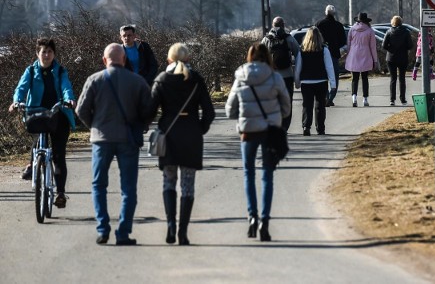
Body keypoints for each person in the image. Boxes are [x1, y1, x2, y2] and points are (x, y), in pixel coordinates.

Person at [76, 43, 152, 246]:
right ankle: (123, 233)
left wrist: (95, 126)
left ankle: (103, 229)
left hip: (102, 140)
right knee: (128, 189)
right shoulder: (137, 81)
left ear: (104, 60)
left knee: (99, 185)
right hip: (128, 139)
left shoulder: (94, 80)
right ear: (124, 59)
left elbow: (81, 110)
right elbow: (149, 110)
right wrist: (140, 126)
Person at [149, 43, 215, 245]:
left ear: (168, 60)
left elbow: (150, 111)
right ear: (188, 60)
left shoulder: (161, 80)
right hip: (191, 136)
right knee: (188, 185)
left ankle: (170, 225)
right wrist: (199, 129)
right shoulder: (196, 80)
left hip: (168, 136)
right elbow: (209, 112)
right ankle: (183, 232)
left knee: (169, 181)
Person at [225, 43, 291, 242]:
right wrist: (276, 117)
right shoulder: (274, 77)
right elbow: (286, 107)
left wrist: (242, 119)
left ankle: (252, 217)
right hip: (270, 131)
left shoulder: (240, 77)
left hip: (248, 132)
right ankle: (265, 221)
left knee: (248, 174)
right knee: (267, 176)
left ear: (249, 57)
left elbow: (230, 110)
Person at [9, 38, 76, 208]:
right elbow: (21, 88)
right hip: (37, 112)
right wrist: (16, 101)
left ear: (54, 54)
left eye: (50, 52)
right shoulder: (31, 71)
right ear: (37, 53)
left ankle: (60, 193)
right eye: (43, 52)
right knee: (38, 137)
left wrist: (69, 100)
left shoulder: (60, 71)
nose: (46, 55)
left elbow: (66, 87)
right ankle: (33, 164)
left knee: (59, 154)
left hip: (58, 114)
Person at [294, 27, 336, 135]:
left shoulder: (302, 50)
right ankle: (320, 128)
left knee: (307, 105)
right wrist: (333, 83)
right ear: (319, 37)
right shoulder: (324, 49)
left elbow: (298, 67)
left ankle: (306, 127)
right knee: (320, 105)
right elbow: (329, 67)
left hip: (306, 82)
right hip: (321, 80)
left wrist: (297, 81)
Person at [261, 16, 299, 131]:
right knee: (287, 101)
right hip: (287, 76)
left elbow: (260, 57)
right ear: (283, 25)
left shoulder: (266, 39)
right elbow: (298, 53)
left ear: (273, 25)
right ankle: (285, 126)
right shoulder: (289, 38)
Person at [315, 5, 346, 107]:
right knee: (334, 77)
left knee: (323, 76)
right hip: (334, 54)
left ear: (325, 12)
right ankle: (331, 97)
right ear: (334, 14)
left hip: (320, 54)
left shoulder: (319, 24)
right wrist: (336, 46)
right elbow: (343, 41)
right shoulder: (338, 25)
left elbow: (314, 38)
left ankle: (326, 96)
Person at [345, 12, 377, 107]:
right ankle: (365, 99)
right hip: (366, 54)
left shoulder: (352, 29)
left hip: (354, 55)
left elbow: (348, 44)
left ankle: (354, 98)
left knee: (354, 78)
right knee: (364, 78)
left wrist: (348, 55)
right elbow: (373, 47)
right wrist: (374, 60)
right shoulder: (370, 31)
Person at [382, 16, 413, 106]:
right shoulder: (406, 32)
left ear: (393, 22)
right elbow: (410, 45)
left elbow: (384, 45)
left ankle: (392, 99)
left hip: (391, 58)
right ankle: (403, 99)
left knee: (393, 78)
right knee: (402, 78)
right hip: (403, 57)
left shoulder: (389, 31)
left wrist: (391, 49)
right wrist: (404, 49)